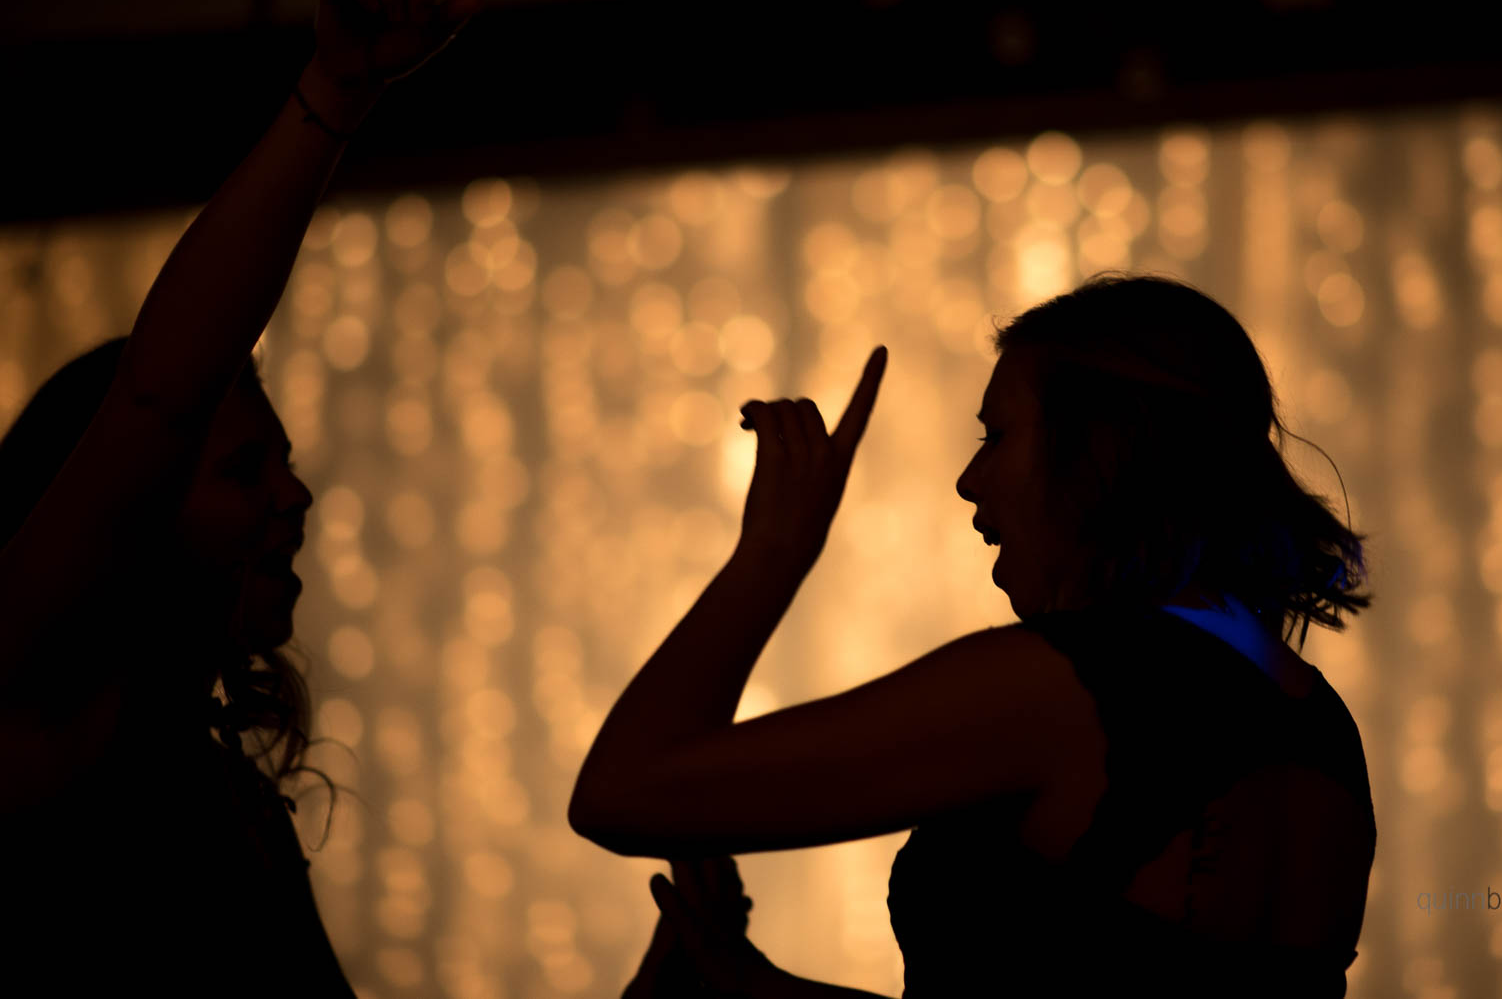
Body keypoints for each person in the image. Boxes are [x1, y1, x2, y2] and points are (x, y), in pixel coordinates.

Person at [574, 272, 1378, 998]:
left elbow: (621, 794)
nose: (969, 480)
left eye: (997, 437)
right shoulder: (1314, 718)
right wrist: (756, 989)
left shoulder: (1062, 687)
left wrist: (775, 551)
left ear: (1099, 451)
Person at [0, 0, 480, 994]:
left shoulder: (215, 787)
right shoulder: (17, 701)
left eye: (284, 464)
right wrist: (330, 101)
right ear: (124, 506)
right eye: (247, 467)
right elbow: (161, 396)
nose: (297, 497)